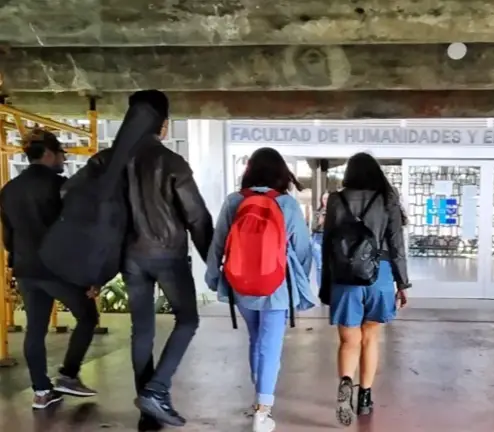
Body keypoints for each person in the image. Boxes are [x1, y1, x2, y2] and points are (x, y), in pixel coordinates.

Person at [67, 90, 213, 429]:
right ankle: (156, 390)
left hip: (130, 258)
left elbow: (71, 195)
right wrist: (213, 262)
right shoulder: (171, 162)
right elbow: (196, 217)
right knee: (188, 320)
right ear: (163, 126)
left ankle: (149, 413)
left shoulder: (106, 160)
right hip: (168, 255)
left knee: (142, 331)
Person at [205, 147, 315, 432]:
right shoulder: (287, 204)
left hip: (240, 284)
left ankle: (259, 404)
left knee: (256, 340)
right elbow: (303, 249)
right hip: (277, 285)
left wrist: (213, 277)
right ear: (281, 173)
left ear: (249, 171)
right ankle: (262, 412)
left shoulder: (234, 201)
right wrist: (300, 281)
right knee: (270, 345)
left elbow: (218, 243)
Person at [0, 129, 99, 409]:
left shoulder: (8, 191)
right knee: (87, 316)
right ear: (47, 153)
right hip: (58, 269)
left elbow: (7, 237)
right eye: (60, 154)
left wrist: (17, 262)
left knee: (35, 329)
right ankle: (68, 375)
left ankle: (42, 392)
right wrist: (90, 274)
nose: (63, 159)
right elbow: (76, 233)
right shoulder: (61, 187)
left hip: (26, 269)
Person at [320, 153, 410, 426]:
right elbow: (396, 244)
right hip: (379, 275)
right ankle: (365, 397)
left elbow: (327, 246)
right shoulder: (387, 198)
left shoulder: (336, 199)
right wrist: (402, 283)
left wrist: (326, 285)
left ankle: (346, 382)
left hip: (345, 278)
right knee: (370, 338)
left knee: (349, 341)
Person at [311, 192, 329, 288]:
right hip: (318, 237)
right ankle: (321, 288)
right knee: (320, 266)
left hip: (330, 238)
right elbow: (313, 227)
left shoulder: (336, 211)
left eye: (328, 198)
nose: (326, 201)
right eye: (324, 199)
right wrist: (320, 221)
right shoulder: (317, 212)